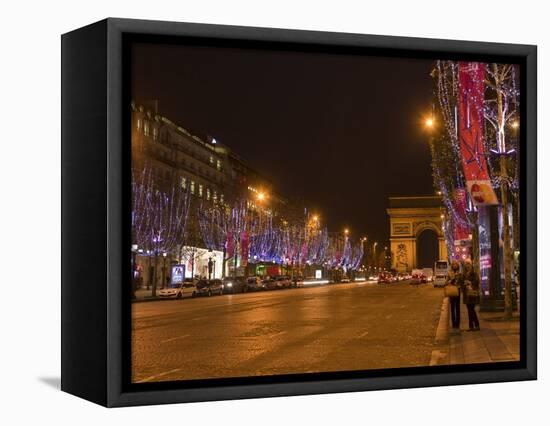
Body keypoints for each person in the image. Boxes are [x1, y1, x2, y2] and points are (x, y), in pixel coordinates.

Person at [461, 261, 481, 331]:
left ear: (471, 265)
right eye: (466, 264)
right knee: (469, 310)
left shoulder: (474, 273)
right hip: (466, 294)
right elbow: (461, 283)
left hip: (472, 293)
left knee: (472, 310)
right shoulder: (464, 274)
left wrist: (470, 283)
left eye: (468, 264)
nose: (467, 266)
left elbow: (477, 281)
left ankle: (476, 325)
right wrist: (464, 284)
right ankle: (472, 326)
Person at [446, 261, 461, 330]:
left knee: (458, 308)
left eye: (456, 264)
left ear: (458, 265)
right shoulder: (449, 272)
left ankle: (457, 323)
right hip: (452, 290)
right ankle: (453, 323)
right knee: (452, 308)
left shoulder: (460, 272)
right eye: (453, 264)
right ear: (452, 265)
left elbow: (462, 281)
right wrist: (451, 280)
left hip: (458, 291)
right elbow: (446, 281)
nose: (455, 265)